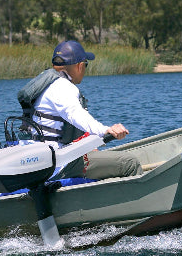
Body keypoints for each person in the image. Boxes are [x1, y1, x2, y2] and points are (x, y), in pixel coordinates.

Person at [16, 40, 143, 181]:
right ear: (79, 66)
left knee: (96, 154)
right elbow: (75, 114)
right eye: (86, 65)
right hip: (57, 164)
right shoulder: (62, 87)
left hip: (38, 159)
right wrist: (106, 130)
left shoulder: (44, 84)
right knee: (130, 163)